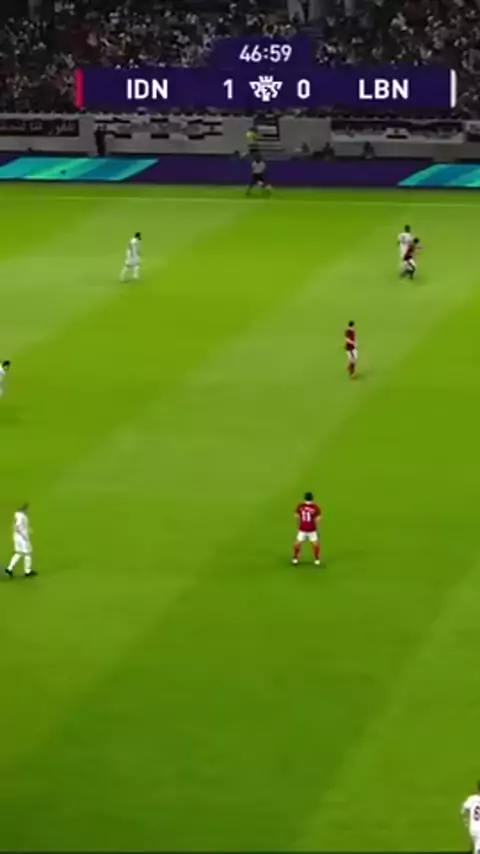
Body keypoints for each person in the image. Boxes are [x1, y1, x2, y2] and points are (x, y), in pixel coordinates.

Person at [5, 503, 36, 578]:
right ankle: (27, 571)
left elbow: (16, 526)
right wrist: (24, 535)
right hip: (22, 538)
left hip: (16, 537)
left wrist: (28, 529)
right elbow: (18, 526)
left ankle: (9, 568)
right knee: (27, 553)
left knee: (19, 553)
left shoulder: (17, 515)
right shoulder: (21, 516)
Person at [292, 492, 322, 566]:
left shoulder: (300, 506)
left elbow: (296, 515)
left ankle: (295, 558)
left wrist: (300, 522)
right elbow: (318, 519)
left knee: (297, 543)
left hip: (302, 528)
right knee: (316, 544)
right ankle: (317, 559)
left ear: (304, 498)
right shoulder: (315, 507)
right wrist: (317, 528)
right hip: (312, 529)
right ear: (312, 499)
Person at [461, 782, 480, 854]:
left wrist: (466, 822)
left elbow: (463, 811)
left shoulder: (472, 799)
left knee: (474, 845)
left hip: (472, 829)